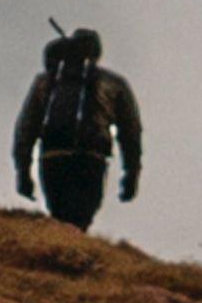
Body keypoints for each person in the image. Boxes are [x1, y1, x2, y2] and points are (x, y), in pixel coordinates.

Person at [15, 25, 141, 228]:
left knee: (59, 217)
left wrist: (23, 171)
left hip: (53, 156)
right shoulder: (114, 84)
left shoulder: (46, 81)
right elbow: (130, 132)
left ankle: (57, 252)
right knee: (81, 220)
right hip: (91, 158)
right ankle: (71, 254)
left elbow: (26, 128)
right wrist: (131, 173)